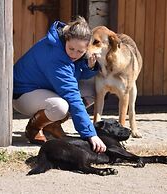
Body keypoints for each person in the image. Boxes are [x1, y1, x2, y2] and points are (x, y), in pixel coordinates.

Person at [13, 16, 106, 153]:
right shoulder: (55, 55)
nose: (74, 54)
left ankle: (51, 124)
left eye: (80, 51)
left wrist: (89, 66)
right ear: (66, 39)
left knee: (92, 91)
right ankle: (34, 128)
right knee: (60, 107)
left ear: (87, 48)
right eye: (71, 48)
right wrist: (90, 134)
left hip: (45, 88)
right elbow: (71, 94)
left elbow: (73, 75)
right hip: (23, 94)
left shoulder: (66, 48)